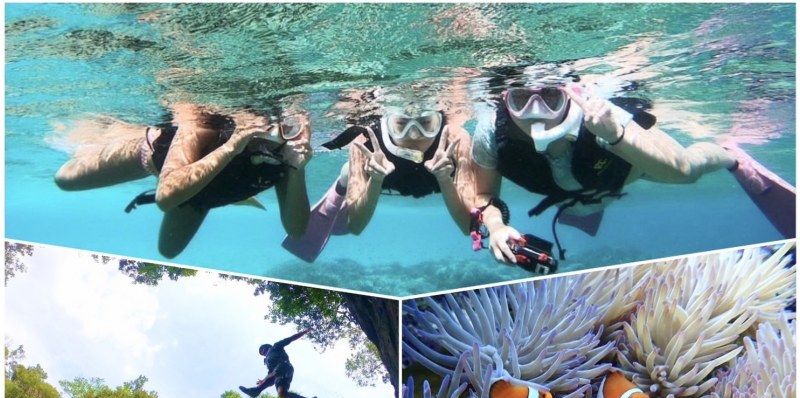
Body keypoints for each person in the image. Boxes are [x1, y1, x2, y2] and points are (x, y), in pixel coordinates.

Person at [471, 80, 796, 264]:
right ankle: (586, 207)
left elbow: (675, 170)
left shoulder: (598, 112)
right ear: (504, 98)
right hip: (575, 193)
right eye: (521, 100)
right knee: (585, 204)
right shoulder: (490, 133)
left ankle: (729, 157)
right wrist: (497, 227)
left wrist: (615, 135)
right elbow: (484, 194)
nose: (534, 113)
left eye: (550, 97)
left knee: (687, 169)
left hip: (629, 172)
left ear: (567, 93)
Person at [53, 105, 313, 258]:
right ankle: (113, 136)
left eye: (288, 129)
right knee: (64, 179)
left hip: (205, 193)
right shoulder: (206, 123)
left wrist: (296, 169)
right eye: (265, 128)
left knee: (168, 251)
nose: (271, 139)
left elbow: (297, 230)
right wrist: (233, 147)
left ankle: (232, 195)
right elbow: (165, 198)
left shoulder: (285, 153)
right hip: (161, 164)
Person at [282, 104, 475, 262]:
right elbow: (356, 227)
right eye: (401, 124)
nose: (415, 135)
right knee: (349, 171)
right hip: (382, 179)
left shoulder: (456, 138)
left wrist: (444, 179)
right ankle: (340, 190)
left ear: (439, 120)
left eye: (426, 123)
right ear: (387, 121)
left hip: (438, 179)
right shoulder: (365, 139)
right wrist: (375, 180)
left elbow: (468, 226)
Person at [238, 327, 323, 398]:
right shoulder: (267, 361)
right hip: (278, 375)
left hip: (285, 366)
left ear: (267, 347)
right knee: (282, 394)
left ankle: (256, 390)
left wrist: (304, 332)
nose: (263, 353)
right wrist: (264, 380)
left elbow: (290, 339)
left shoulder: (275, 346)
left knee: (275, 372)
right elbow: (270, 373)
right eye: (261, 353)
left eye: (263, 350)